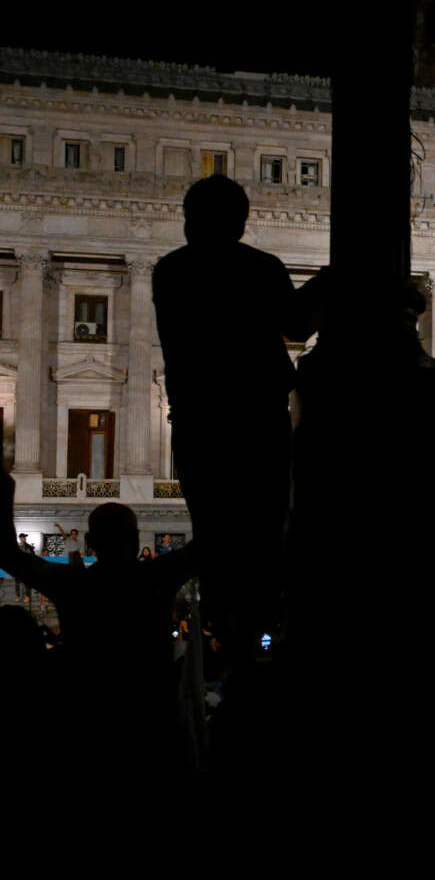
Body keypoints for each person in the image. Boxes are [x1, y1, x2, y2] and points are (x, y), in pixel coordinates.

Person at [152, 174, 317, 668]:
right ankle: (259, 643)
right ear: (240, 223)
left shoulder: (169, 272)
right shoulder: (258, 268)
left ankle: (229, 641)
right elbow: (298, 324)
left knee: (216, 539)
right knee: (264, 537)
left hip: (199, 428)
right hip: (256, 425)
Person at [0, 469, 201, 783]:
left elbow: (9, 555)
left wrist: (4, 491)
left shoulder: (72, 584)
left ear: (91, 542)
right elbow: (207, 545)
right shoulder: (156, 578)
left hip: (88, 724)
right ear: (136, 540)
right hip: (151, 727)